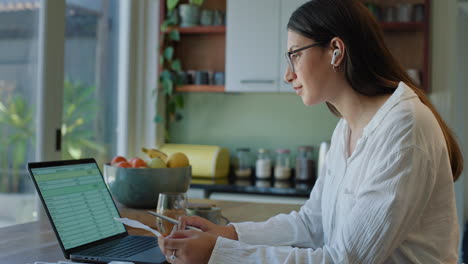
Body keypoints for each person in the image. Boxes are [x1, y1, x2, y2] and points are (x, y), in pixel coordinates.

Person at [158, 0, 464, 263]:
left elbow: (344, 259)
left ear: (335, 50)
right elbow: (312, 223)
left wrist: (219, 253)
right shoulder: (346, 127)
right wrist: (230, 234)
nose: (287, 73)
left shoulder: (404, 128)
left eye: (295, 54)